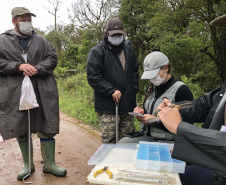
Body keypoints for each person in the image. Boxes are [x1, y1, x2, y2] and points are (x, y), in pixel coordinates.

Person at [156, 14, 226, 184]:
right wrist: (175, 107)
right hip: (210, 162)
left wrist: (180, 127)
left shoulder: (180, 87)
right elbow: (204, 104)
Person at [0, 7, 67, 180]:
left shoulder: (42, 40)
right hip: (15, 91)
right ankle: (28, 165)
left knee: (46, 125)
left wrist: (37, 69)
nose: (27, 22)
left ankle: (50, 164)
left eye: (29, 19)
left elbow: (52, 58)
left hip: (42, 89)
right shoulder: (2, 41)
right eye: (23, 19)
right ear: (14, 21)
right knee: (21, 127)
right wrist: (18, 66)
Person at [119, 51, 193, 143]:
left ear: (166, 68)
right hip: (148, 136)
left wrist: (155, 120)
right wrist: (141, 114)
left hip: (169, 140)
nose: (151, 79)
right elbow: (149, 113)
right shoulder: (151, 88)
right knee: (123, 143)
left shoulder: (181, 90)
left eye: (154, 75)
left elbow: (186, 124)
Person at [87, 17, 139, 143]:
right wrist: (111, 90)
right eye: (113, 35)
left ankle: (124, 163)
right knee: (110, 140)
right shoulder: (97, 52)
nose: (117, 37)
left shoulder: (129, 51)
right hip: (108, 107)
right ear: (107, 34)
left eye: (119, 34)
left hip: (127, 106)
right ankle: (108, 163)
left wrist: (133, 91)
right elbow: (93, 77)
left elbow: (135, 72)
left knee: (127, 140)